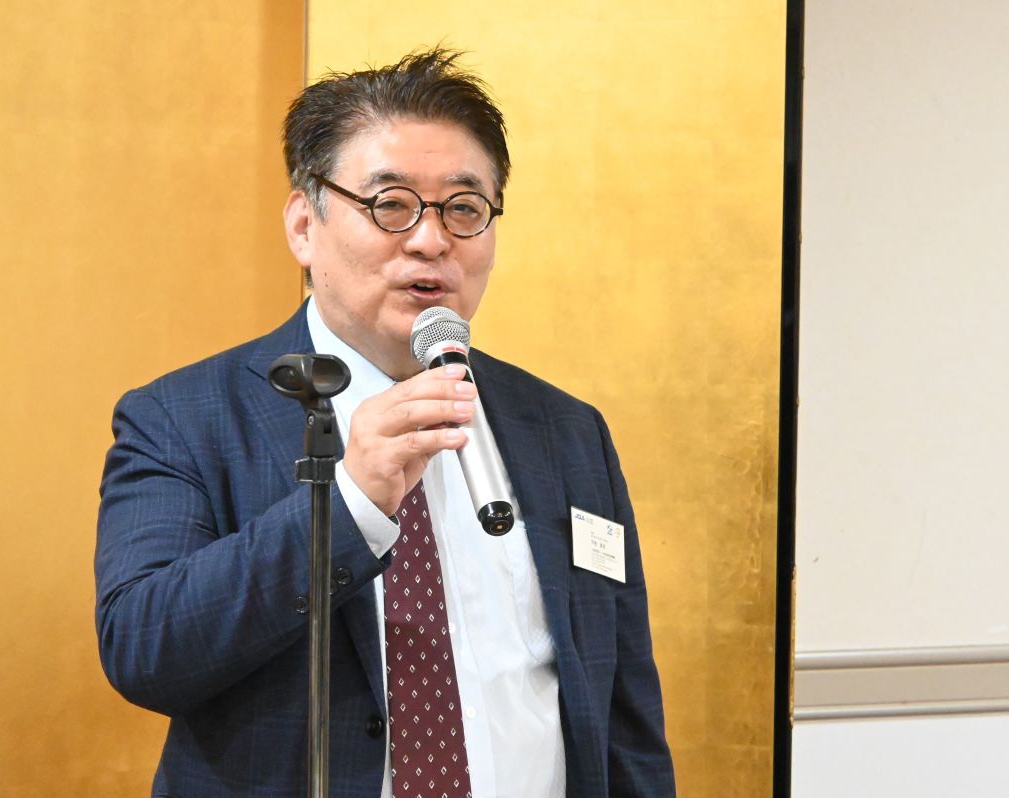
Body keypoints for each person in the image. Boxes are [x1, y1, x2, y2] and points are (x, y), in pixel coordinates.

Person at [95, 48, 675, 797]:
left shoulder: (566, 431)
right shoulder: (184, 418)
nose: (431, 240)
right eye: (390, 204)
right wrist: (347, 507)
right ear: (304, 225)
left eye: (463, 209)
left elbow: (624, 710)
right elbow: (144, 649)